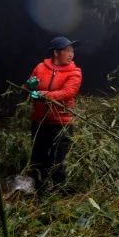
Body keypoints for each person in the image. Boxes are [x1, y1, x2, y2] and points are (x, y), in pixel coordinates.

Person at [26, 36, 83, 194]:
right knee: (38, 158)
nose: (71, 53)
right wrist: (29, 86)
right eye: (67, 50)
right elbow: (29, 88)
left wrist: (45, 95)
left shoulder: (75, 72)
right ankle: (41, 191)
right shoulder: (40, 68)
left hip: (62, 122)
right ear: (56, 52)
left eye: (72, 50)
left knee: (59, 159)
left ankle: (60, 191)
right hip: (40, 121)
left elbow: (68, 92)